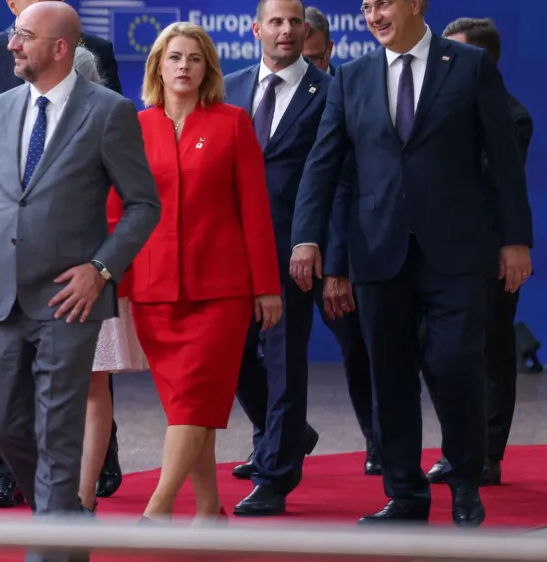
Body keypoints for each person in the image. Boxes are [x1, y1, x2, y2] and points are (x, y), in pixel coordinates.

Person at [290, 0, 532, 527]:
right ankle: (405, 495)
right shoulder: (351, 77)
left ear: (417, 4)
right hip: (376, 251)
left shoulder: (467, 67)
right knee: (390, 376)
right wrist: (308, 239)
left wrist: (516, 240)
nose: (374, 14)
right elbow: (323, 164)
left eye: (385, 3)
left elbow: (505, 161)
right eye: (367, 6)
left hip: (456, 250)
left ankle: (466, 483)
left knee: (455, 365)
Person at [0, 3, 160, 560]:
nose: (10, 46)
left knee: (58, 430)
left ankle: (49, 547)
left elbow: (144, 205)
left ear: (59, 48)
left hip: (71, 302)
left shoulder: (109, 112)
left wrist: (101, 270)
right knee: (0, 421)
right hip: (1, 299)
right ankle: (67, 520)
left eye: (23, 37)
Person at [120, 21, 281, 522]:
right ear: (158, 67)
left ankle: (158, 509)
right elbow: (117, 211)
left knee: (193, 401)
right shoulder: (134, 128)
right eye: (174, 58)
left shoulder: (232, 122)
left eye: (194, 58)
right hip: (153, 291)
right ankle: (209, 510)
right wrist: (115, 285)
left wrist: (267, 288)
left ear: (207, 67)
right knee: (191, 408)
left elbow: (255, 212)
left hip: (221, 293)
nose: (184, 66)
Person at [223, 0, 328, 516]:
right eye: (276, 22)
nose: (286, 31)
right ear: (256, 28)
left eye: (294, 23)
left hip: (293, 250)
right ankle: (287, 432)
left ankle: (275, 475)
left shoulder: (330, 91)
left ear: (305, 30)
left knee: (285, 359)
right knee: (234, 357)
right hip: (230, 248)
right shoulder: (228, 87)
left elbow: (333, 175)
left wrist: (317, 241)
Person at [425, 16, 534, 488]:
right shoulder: (436, 106)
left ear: (482, 60)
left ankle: (488, 454)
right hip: (435, 252)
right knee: (442, 355)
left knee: (490, 354)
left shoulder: (512, 115)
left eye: (454, 53)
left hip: (489, 252)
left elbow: (490, 182)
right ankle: (456, 449)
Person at [72, 45, 150, 515]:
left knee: (91, 386)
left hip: (95, 275)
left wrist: (105, 267)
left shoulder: (113, 123)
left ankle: (81, 497)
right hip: (32, 278)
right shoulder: (15, 119)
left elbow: (135, 204)